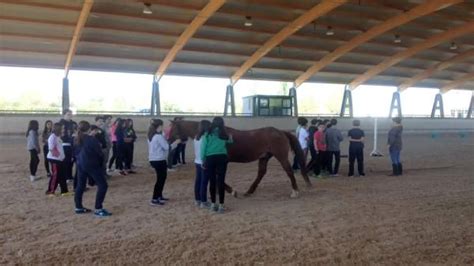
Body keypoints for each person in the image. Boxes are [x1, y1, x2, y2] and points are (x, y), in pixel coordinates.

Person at [74, 121, 111, 217]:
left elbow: (74, 151)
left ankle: (78, 207)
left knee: (80, 185)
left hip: (80, 164)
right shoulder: (92, 139)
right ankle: (98, 208)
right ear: (89, 129)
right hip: (92, 164)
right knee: (103, 185)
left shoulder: (76, 138)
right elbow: (99, 153)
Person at [201, 117, 233, 213]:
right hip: (222, 158)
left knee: (212, 181)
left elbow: (203, 148)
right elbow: (230, 142)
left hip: (210, 158)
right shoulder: (224, 134)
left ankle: (213, 204)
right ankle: (221, 205)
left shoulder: (207, 134)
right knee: (221, 181)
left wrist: (203, 160)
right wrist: (231, 137)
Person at [147, 119, 180, 206]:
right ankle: (154, 199)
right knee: (160, 179)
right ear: (159, 126)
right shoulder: (158, 136)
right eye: (162, 125)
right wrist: (176, 143)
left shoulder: (152, 135)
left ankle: (159, 196)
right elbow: (166, 147)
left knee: (161, 178)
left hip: (154, 159)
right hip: (159, 159)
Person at [46, 123, 70, 196]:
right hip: (55, 160)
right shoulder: (52, 137)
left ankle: (64, 191)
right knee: (55, 175)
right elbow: (51, 148)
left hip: (60, 160)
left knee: (62, 175)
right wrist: (58, 155)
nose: (63, 130)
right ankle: (50, 191)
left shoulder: (58, 137)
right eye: (62, 128)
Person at [194, 120, 212, 208]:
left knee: (198, 181)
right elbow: (204, 151)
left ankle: (197, 199)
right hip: (203, 162)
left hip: (197, 161)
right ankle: (203, 201)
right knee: (204, 182)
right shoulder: (206, 137)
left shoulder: (196, 137)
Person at [59, 109, 76, 182]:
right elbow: (61, 134)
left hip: (72, 144)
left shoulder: (73, 123)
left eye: (71, 114)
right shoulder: (61, 123)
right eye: (68, 114)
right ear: (64, 115)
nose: (70, 116)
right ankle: (65, 177)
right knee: (65, 161)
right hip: (64, 144)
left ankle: (69, 176)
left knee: (71, 161)